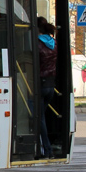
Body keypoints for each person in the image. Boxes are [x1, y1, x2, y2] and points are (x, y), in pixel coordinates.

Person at [37, 16, 57, 158]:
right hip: (51, 85)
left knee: (39, 118)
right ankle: (45, 147)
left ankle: (46, 149)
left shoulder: (37, 44)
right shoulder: (54, 43)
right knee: (41, 116)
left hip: (40, 85)